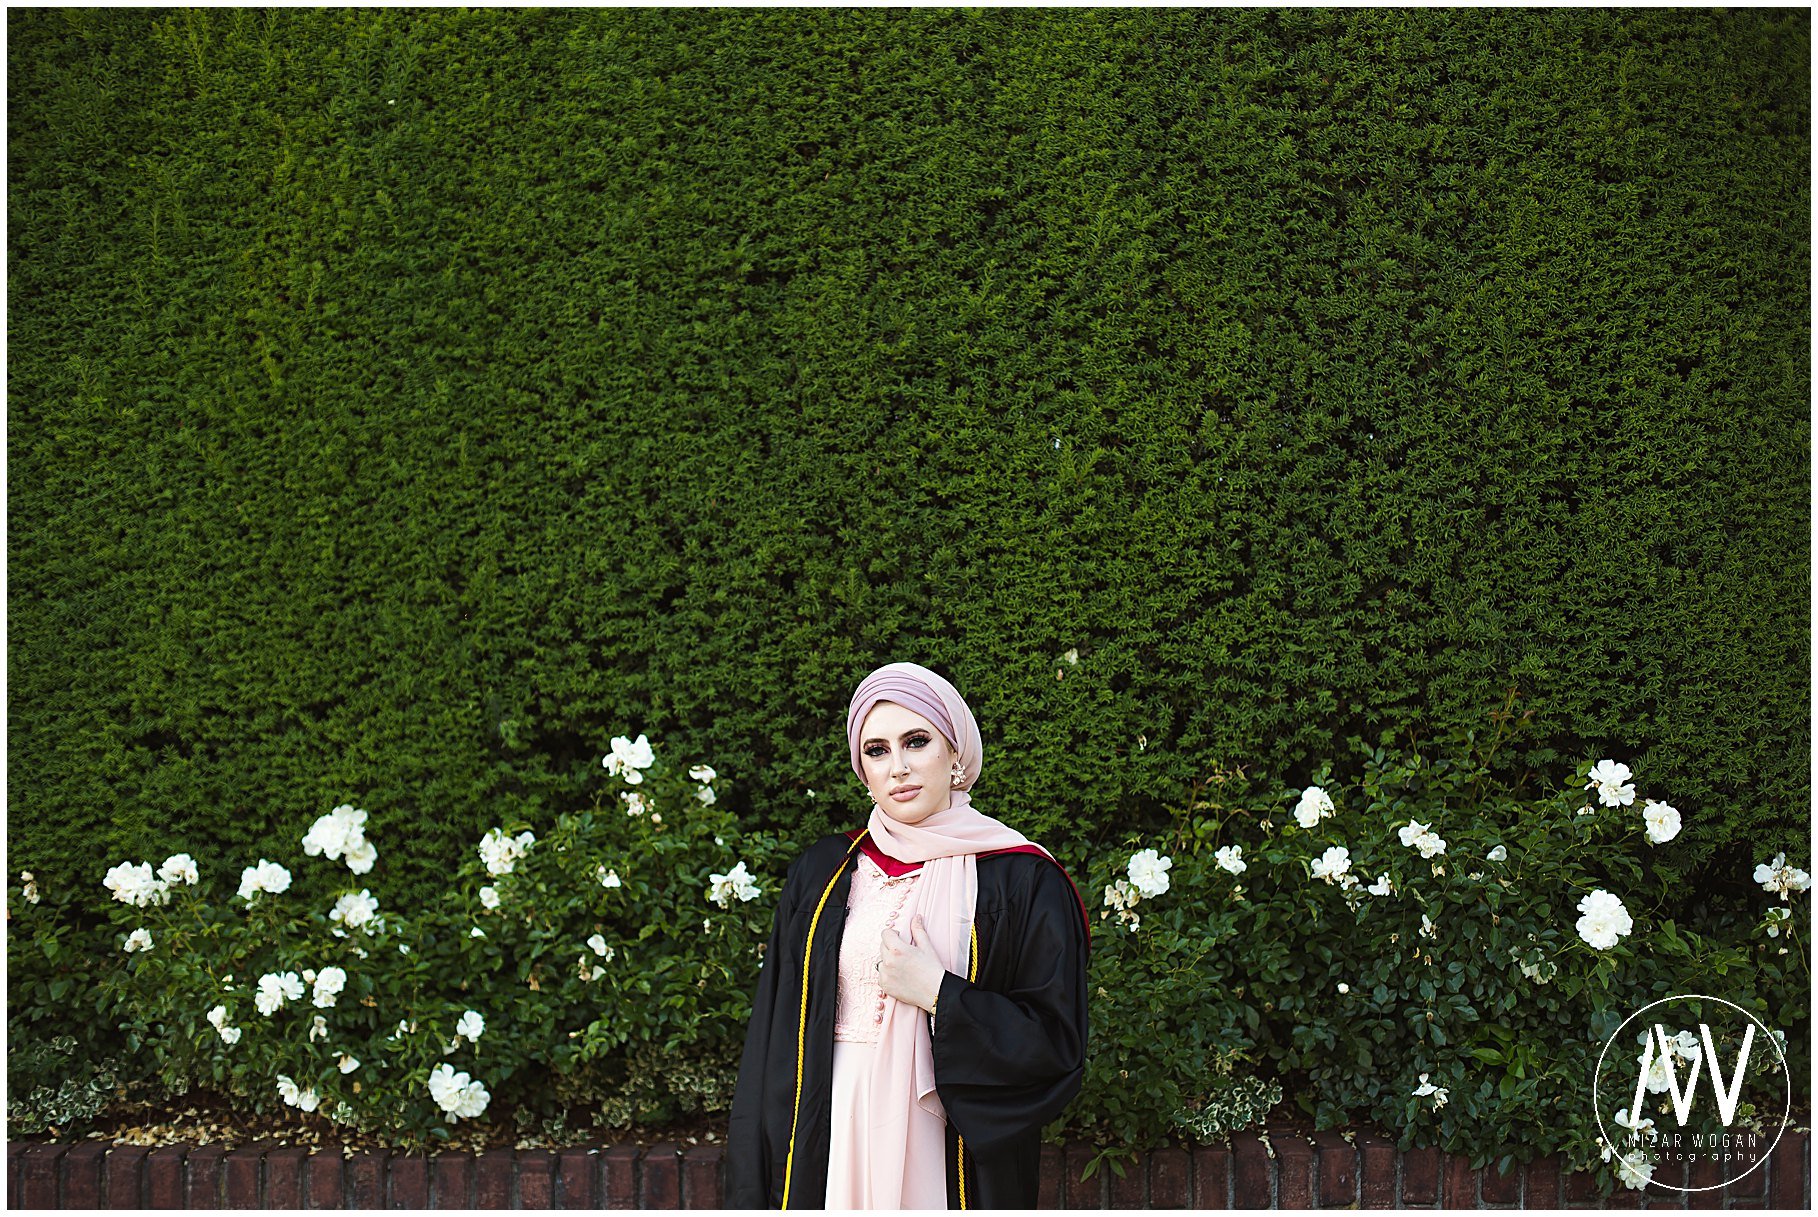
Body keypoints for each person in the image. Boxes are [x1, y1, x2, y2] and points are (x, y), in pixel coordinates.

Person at [727, 661, 1091, 1209]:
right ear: (862, 770)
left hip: (944, 1133)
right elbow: (772, 1035)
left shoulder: (1022, 879)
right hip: (827, 1121)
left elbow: (1055, 1044)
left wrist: (940, 994)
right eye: (876, 750)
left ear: (955, 754)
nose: (897, 767)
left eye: (916, 741)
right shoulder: (825, 872)